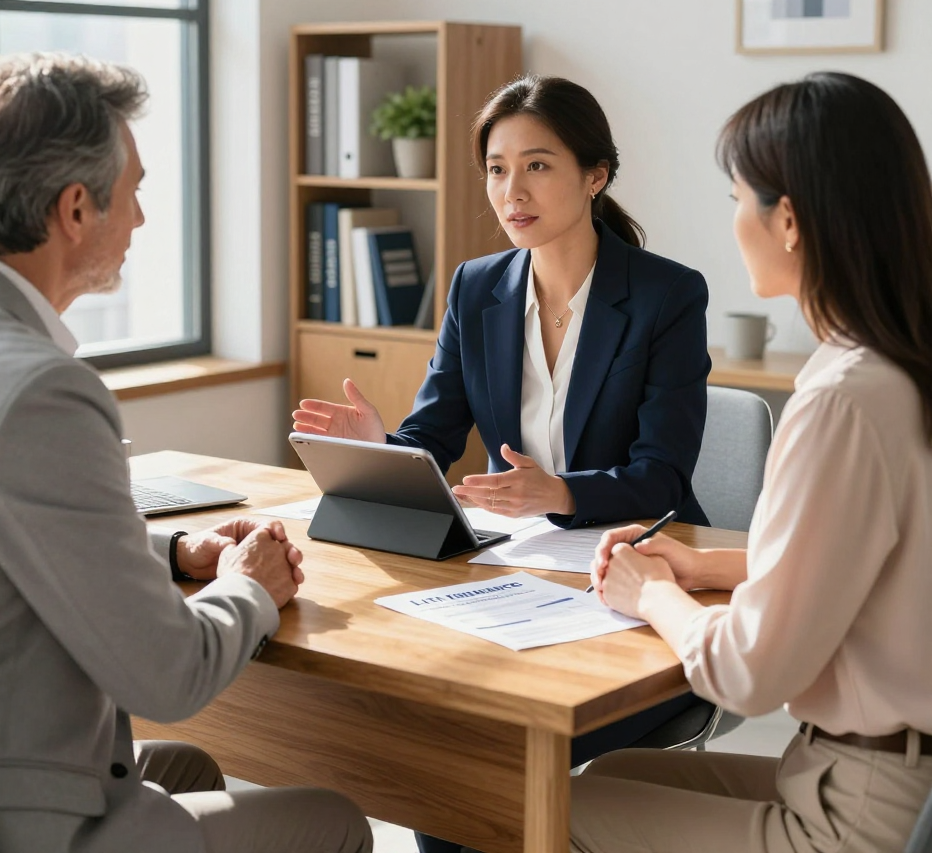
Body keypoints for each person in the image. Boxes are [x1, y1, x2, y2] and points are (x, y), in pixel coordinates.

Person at [0, 53, 372, 853]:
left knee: (187, 769)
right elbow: (167, 676)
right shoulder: (38, 390)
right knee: (335, 823)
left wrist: (173, 551)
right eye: (136, 192)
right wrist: (249, 587)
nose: (143, 220)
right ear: (76, 209)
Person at [294, 75, 712, 853]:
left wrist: (558, 491)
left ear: (596, 175)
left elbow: (663, 477)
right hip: (515, 579)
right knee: (436, 744)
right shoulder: (477, 288)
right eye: (495, 167)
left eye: (538, 165)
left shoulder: (666, 297)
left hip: (633, 587)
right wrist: (378, 447)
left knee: (472, 756)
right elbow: (435, 435)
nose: (511, 190)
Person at [571, 72, 932, 853]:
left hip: (862, 810)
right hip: (886, 776)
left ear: (790, 221)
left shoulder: (843, 398)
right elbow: (871, 564)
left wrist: (655, 592)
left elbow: (747, 675)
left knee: (542, 813)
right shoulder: (899, 370)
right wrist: (714, 570)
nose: (735, 219)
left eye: (738, 197)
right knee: (606, 782)